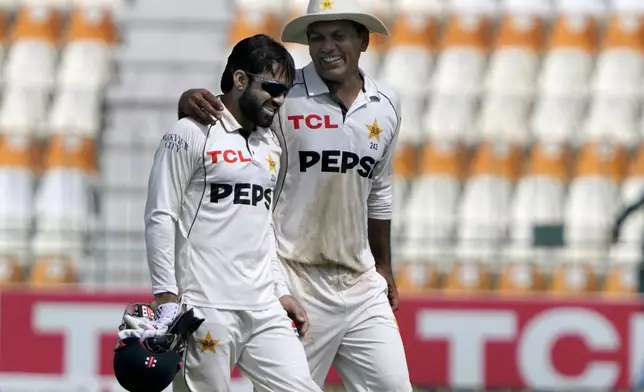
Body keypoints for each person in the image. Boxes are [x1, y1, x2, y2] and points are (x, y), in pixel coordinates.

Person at [175, 1, 413, 391]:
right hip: (295, 278)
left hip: (360, 281)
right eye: (316, 37)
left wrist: (384, 266)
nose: (326, 47)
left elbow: (379, 190)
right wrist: (189, 100)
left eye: (338, 35)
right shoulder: (283, 94)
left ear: (363, 40)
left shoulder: (387, 104)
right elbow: (229, 119)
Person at [142, 34, 322, 392]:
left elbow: (262, 226)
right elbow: (161, 215)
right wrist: (165, 294)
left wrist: (280, 290)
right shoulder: (190, 132)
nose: (279, 99)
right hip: (205, 309)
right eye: (272, 87)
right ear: (240, 80)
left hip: (264, 308)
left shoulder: (270, 143)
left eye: (284, 90)